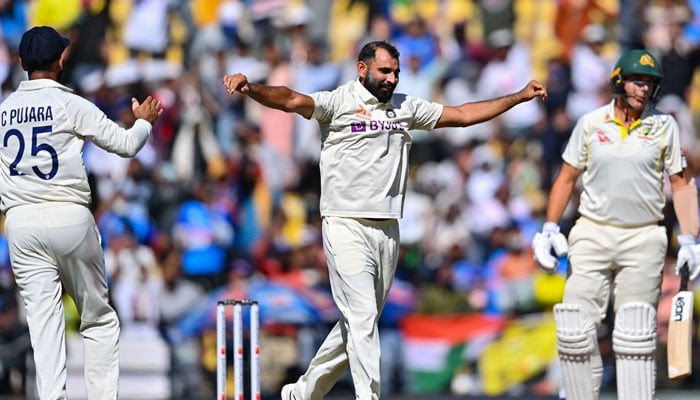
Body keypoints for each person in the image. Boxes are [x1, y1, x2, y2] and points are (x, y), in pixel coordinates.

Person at [223, 40, 547, 400]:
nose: (392, 79)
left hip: (388, 229)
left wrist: (517, 97)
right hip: (345, 223)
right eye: (384, 71)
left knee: (358, 325)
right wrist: (250, 87)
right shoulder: (338, 102)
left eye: (395, 72)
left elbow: (463, 115)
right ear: (362, 69)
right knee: (362, 317)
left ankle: (301, 394)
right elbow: (289, 99)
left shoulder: (406, 106)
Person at [0, 26, 162, 399]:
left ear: (22, 63)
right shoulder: (69, 103)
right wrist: (144, 122)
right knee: (99, 319)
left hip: (21, 222)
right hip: (68, 215)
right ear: (61, 60)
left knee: (43, 322)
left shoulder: (5, 109)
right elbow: (125, 145)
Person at [532, 48, 698, 400]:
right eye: (638, 81)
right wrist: (548, 228)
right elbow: (566, 178)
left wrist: (690, 240)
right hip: (592, 231)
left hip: (645, 236)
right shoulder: (591, 124)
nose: (644, 89)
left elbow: (682, 182)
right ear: (619, 81)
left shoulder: (664, 124)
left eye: (650, 84)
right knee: (575, 327)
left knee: (635, 330)